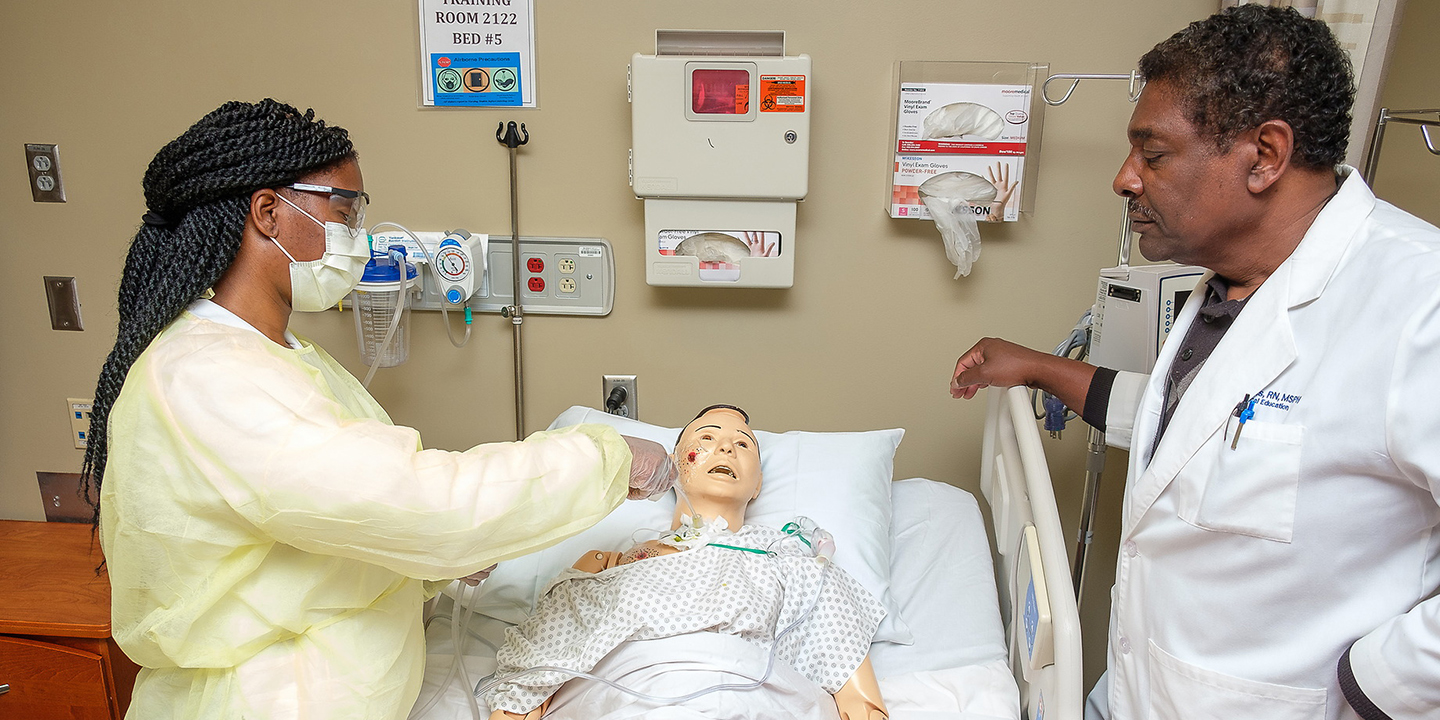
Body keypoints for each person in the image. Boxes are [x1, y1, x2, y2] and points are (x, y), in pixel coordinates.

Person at [83, 99, 678, 720]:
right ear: (268, 213)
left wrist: (438, 565)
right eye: (343, 213)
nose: (358, 240)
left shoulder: (286, 358)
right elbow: (417, 499)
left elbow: (337, 527)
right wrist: (604, 457)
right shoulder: (207, 377)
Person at [949, 7, 1439, 720]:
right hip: (1139, 692)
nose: (1124, 180)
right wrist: (1039, 367)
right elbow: (1200, 427)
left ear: (1265, 156)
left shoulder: (1416, 302)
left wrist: (1379, 686)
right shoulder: (1226, 287)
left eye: (1153, 153)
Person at [485, 405, 889, 720]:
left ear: (759, 483)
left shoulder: (786, 558)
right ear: (674, 463)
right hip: (624, 697)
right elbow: (536, 664)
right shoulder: (609, 562)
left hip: (751, 701)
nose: (726, 448)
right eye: (707, 439)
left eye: (743, 444)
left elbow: (848, 672)